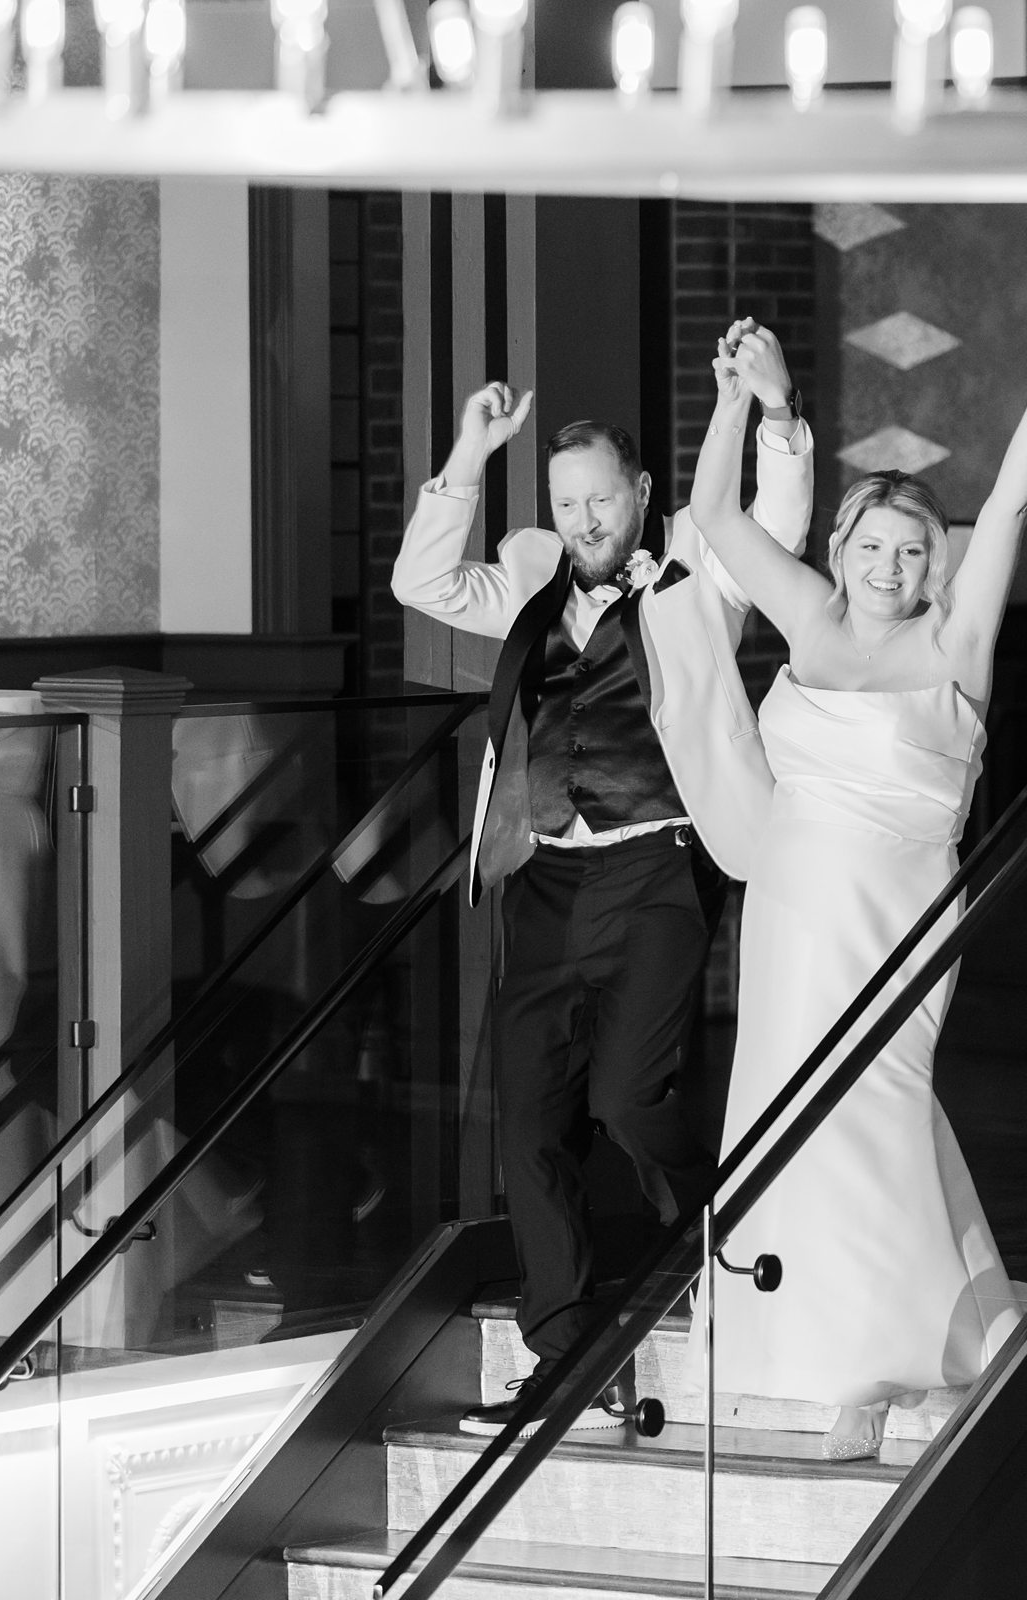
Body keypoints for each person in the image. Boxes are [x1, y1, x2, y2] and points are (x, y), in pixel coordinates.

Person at [680, 282, 1027, 1461]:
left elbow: (1006, 512)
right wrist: (739, 400)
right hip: (794, 903)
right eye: (872, 545)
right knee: (781, 1101)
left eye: (913, 550)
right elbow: (713, 508)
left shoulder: (954, 644)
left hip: (900, 908)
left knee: (878, 1099)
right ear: (844, 547)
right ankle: (788, 1345)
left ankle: (882, 1351)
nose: (891, 565)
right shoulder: (808, 616)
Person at [389, 343, 814, 1435]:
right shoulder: (532, 582)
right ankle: (564, 1344)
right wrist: (469, 458)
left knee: (628, 1097)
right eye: (565, 501)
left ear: (641, 496)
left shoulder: (698, 577)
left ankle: (719, 1207)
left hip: (659, 865)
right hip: (544, 873)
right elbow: (422, 583)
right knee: (528, 1120)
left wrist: (771, 411)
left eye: (599, 499)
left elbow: (780, 516)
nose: (582, 518)